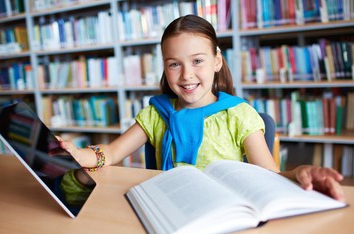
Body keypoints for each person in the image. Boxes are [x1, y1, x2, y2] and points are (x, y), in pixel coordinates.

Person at [58, 15, 345, 201]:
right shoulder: (155, 114)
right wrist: (79, 153)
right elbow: (111, 152)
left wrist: (301, 172)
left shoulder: (239, 115)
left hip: (223, 213)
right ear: (165, 67)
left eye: (197, 61)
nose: (186, 75)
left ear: (217, 61)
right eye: (174, 64)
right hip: (169, 207)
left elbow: (270, 177)